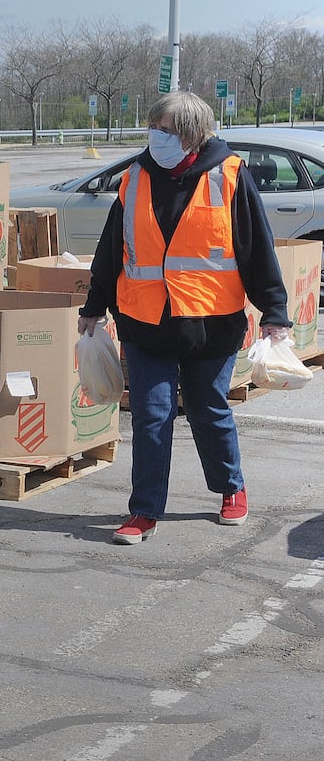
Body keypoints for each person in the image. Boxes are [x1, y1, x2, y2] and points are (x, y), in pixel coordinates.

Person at [77, 90, 290, 545]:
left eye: (167, 130)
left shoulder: (229, 174)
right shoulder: (135, 177)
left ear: (193, 134)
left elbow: (256, 248)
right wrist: (93, 307)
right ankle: (144, 512)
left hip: (210, 323)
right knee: (151, 416)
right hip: (145, 320)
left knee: (206, 409)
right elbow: (112, 248)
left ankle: (231, 488)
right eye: (154, 128)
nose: (157, 137)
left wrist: (276, 312)